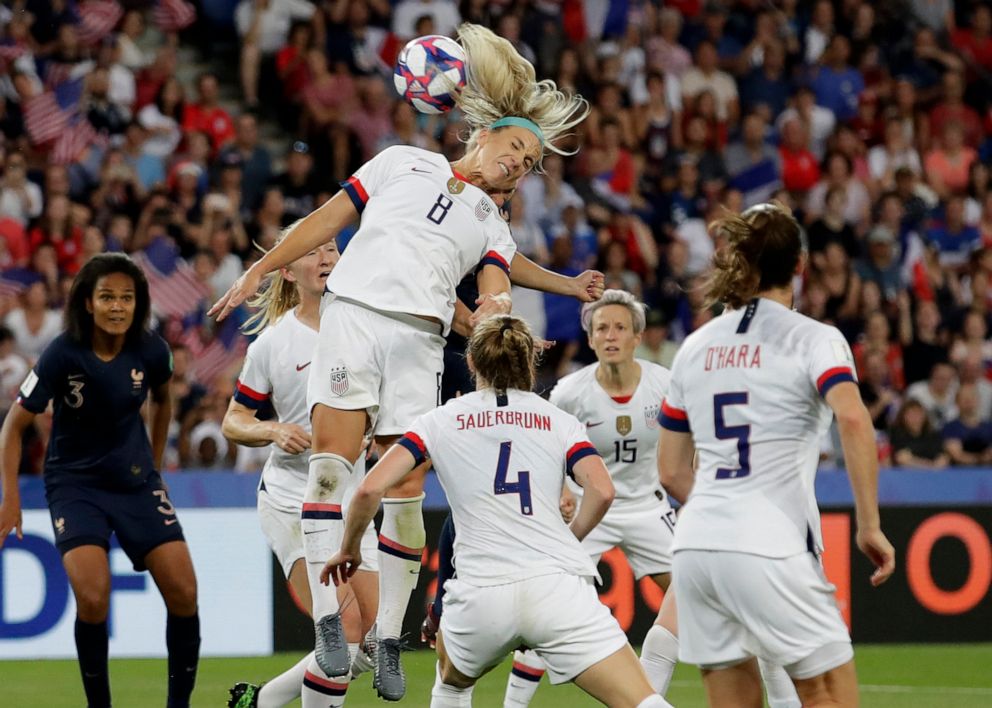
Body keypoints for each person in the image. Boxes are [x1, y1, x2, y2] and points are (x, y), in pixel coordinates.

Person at [209, 22, 598, 700]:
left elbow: (497, 282)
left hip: (420, 340)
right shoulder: (398, 162)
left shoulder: (493, 223)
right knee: (331, 468)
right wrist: (261, 270)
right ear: (483, 134)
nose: (520, 163)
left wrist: (503, 315)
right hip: (353, 318)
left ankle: (388, 633)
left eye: (531, 162)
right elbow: (328, 220)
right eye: (517, 147)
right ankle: (332, 628)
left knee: (406, 491)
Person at [321, 314, 673, 708]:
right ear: (528, 363)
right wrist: (569, 539)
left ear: (472, 363)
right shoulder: (559, 420)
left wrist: (350, 548)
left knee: (452, 684)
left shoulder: (438, 421)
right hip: (555, 590)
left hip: (480, 595)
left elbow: (369, 488)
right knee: (643, 702)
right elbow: (603, 490)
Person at [657, 203, 895, 708]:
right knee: (827, 694)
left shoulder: (695, 347)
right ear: (801, 264)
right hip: (768, 538)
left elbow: (672, 470)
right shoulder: (813, 338)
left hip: (697, 546)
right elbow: (853, 419)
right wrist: (869, 525)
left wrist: (723, 514)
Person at [0, 254, 200, 708]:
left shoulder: (151, 349)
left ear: (138, 303)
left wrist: (155, 467)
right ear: (88, 303)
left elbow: (164, 400)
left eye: (127, 298)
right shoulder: (62, 352)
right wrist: (10, 499)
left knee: (185, 593)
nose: (117, 306)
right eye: (107, 296)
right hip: (75, 487)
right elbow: (13, 425)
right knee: (92, 600)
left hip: (135, 484)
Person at [221, 235, 378, 708]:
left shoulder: (367, 329)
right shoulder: (273, 343)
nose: (326, 257)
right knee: (345, 629)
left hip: (352, 501)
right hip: (293, 500)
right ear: (287, 270)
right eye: (313, 251)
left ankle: (261, 701)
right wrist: (271, 431)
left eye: (331, 247)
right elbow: (234, 420)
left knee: (368, 637)